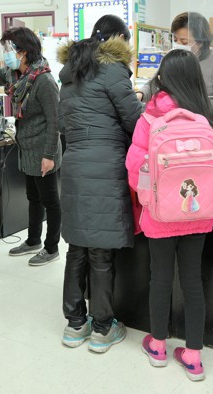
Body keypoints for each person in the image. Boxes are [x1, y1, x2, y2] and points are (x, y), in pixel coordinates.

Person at [125, 49, 213, 382]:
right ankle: (194, 356)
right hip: (200, 214)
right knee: (193, 281)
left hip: (159, 214)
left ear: (162, 79)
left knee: (160, 279)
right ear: (196, 78)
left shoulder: (149, 117)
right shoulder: (209, 117)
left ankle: (157, 346)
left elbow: (132, 169)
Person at [56, 15, 144, 353]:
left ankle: (75, 324)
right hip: (107, 165)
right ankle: (103, 328)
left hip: (76, 165)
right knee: (101, 251)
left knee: (77, 246)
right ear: (119, 38)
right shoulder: (114, 68)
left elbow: (64, 124)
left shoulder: (71, 73)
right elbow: (136, 122)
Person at [0, 27, 62, 267]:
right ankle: (33, 240)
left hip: (44, 150)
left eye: (8, 49)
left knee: (50, 200)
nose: (4, 53)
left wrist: (48, 155)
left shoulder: (45, 81)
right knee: (32, 197)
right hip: (26, 148)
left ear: (24, 52)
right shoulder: (13, 75)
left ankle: (51, 248)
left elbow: (55, 121)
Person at [137, 12, 213, 111]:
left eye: (184, 42)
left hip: (203, 121)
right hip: (171, 119)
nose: (178, 45)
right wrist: (140, 94)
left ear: (200, 42)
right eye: (175, 40)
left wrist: (186, 104)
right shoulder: (171, 56)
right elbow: (154, 84)